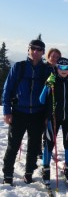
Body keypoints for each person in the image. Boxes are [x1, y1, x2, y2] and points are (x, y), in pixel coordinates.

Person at [2, 39, 52, 185]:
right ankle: (8, 174)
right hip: (18, 112)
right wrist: (6, 111)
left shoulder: (46, 70)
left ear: (43, 52)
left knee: (34, 145)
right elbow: (7, 89)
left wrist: (47, 116)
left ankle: (29, 173)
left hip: (38, 114)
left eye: (39, 49)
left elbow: (51, 96)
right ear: (28, 49)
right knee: (13, 145)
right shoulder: (19, 67)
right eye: (33, 48)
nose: (35, 52)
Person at [39, 57, 68, 185]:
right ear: (56, 68)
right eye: (61, 68)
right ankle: (46, 170)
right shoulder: (52, 82)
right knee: (49, 143)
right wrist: (47, 86)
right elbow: (41, 100)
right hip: (53, 118)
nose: (64, 70)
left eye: (66, 68)